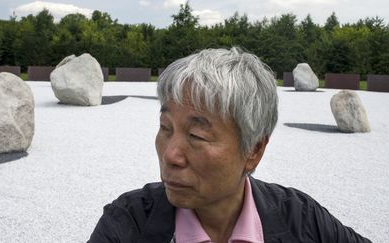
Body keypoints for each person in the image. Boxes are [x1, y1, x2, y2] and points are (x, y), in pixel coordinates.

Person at [88, 47, 371, 243]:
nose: (170, 155)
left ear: (254, 150)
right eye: (165, 128)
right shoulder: (127, 224)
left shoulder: (303, 220)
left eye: (196, 136)